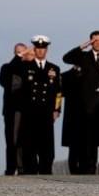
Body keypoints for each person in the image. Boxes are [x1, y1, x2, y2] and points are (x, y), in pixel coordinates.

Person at [61, 30, 99, 175]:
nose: (97, 43)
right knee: (91, 137)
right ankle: (91, 166)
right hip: (89, 104)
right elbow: (66, 58)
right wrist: (82, 46)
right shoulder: (84, 57)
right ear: (91, 42)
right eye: (94, 41)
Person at [19, 35, 63, 174]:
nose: (40, 51)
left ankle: (46, 170)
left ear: (46, 50)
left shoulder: (54, 69)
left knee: (46, 145)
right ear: (34, 49)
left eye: (43, 48)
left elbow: (58, 92)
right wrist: (22, 54)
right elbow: (11, 71)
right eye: (37, 48)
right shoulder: (26, 67)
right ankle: (30, 171)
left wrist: (57, 109)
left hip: (47, 112)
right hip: (30, 112)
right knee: (29, 145)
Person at [0, 42, 27, 174]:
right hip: (12, 110)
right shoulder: (7, 67)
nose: (21, 55)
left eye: (23, 52)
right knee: (12, 140)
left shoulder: (28, 67)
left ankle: (23, 167)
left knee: (24, 141)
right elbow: (3, 81)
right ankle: (11, 167)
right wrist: (17, 59)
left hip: (26, 110)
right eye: (18, 52)